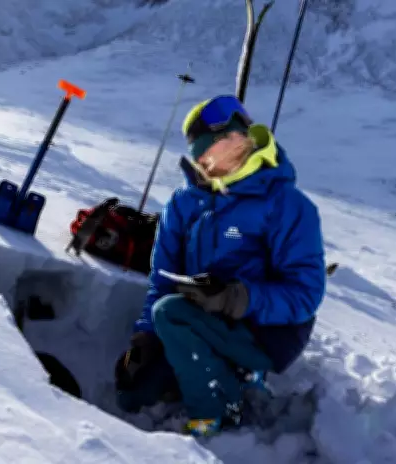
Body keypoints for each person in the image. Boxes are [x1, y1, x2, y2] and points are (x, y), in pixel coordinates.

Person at [114, 95, 326, 437]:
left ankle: (217, 415)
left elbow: (305, 295)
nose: (227, 154)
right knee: (133, 395)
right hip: (202, 320)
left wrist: (236, 298)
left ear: (247, 137)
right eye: (210, 154)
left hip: (267, 332)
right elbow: (162, 280)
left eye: (233, 141)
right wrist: (145, 337)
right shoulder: (183, 204)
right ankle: (212, 373)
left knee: (171, 313)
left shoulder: (288, 205)